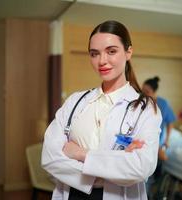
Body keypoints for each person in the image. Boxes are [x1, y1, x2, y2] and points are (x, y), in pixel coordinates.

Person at [41, 20, 162, 200]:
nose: (102, 61)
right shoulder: (75, 102)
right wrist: (114, 163)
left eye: (111, 51)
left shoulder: (145, 109)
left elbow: (141, 167)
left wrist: (81, 154)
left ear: (128, 52)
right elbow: (49, 157)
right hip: (71, 195)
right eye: (94, 54)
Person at [142, 76, 176, 199]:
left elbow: (170, 122)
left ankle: (154, 192)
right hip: (145, 140)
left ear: (154, 92)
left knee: (160, 162)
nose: (144, 94)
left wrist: (167, 140)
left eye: (147, 92)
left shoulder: (163, 103)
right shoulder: (142, 102)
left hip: (157, 140)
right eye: (142, 91)